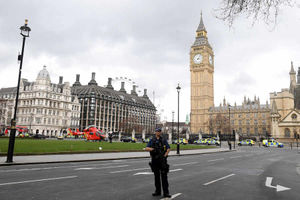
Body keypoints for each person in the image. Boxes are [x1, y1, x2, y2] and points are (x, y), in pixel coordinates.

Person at [145, 128, 171, 198]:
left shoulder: (163, 140)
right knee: (156, 177)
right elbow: (146, 148)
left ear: (160, 132)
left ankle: (166, 193)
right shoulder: (152, 140)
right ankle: (158, 191)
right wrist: (153, 149)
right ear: (155, 132)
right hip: (155, 160)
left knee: (164, 177)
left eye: (159, 131)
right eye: (157, 131)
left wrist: (165, 155)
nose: (158, 132)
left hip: (162, 160)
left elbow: (168, 148)